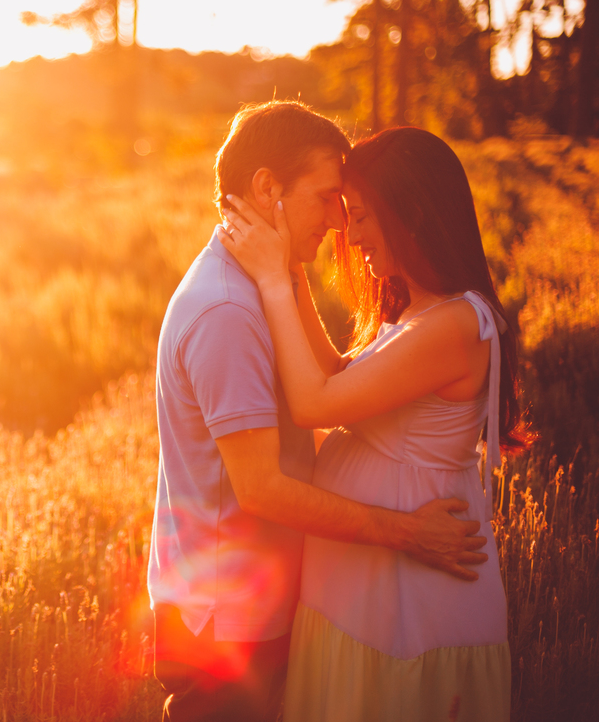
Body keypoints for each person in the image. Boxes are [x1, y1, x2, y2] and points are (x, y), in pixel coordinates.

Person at [148, 103, 489, 722]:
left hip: (263, 605)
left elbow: (336, 381)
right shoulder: (228, 310)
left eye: (349, 207)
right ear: (266, 188)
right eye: (329, 197)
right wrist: (409, 532)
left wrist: (288, 275)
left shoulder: (257, 289)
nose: (340, 224)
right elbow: (261, 489)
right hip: (229, 619)